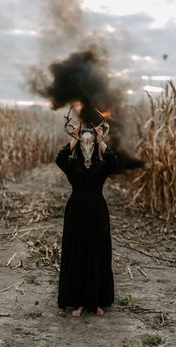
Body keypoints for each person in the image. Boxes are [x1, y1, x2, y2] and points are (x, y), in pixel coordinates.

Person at [55, 125, 118, 317]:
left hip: (97, 212)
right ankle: (79, 302)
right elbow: (59, 158)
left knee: (97, 252)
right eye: (85, 142)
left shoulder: (101, 166)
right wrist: (75, 138)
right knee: (78, 252)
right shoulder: (73, 166)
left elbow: (115, 161)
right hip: (76, 213)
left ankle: (97, 301)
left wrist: (101, 141)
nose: (87, 145)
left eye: (90, 142)